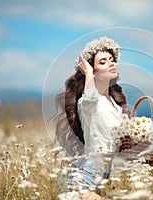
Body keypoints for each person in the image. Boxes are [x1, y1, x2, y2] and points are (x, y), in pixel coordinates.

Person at [55, 37, 129, 199]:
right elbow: (90, 96)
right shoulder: (88, 103)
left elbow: (117, 146)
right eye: (103, 62)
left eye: (112, 60)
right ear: (92, 70)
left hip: (102, 176)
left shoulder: (116, 107)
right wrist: (87, 72)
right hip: (82, 178)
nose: (111, 63)